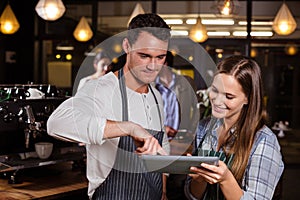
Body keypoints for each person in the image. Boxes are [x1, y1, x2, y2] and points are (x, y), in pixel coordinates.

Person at [47, 13, 171, 200]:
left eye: (160, 57)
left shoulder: (156, 96)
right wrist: (129, 127)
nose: (153, 66)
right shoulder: (100, 88)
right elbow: (56, 123)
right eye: (144, 55)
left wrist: (163, 191)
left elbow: (162, 147)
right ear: (127, 46)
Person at [184, 55, 284, 200]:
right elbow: (192, 195)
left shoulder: (264, 141)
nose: (218, 101)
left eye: (229, 97)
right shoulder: (203, 128)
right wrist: (198, 180)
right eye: (215, 90)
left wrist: (226, 179)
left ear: (247, 98)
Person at [156, 51, 199, 140]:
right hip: (158, 139)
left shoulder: (186, 82)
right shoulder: (150, 86)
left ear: (165, 63)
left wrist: (191, 131)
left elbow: (199, 107)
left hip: (181, 138)